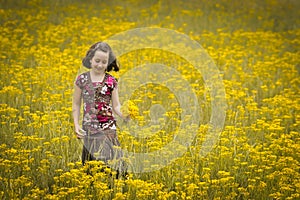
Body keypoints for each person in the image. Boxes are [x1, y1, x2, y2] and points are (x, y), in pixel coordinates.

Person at [72, 42, 129, 176]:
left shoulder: (111, 81)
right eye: (97, 61)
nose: (100, 65)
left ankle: (113, 188)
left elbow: (116, 106)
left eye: (104, 62)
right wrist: (76, 124)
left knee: (113, 164)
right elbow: (76, 104)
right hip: (90, 129)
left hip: (108, 128)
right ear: (90, 59)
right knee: (90, 166)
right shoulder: (82, 79)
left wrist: (124, 115)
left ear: (108, 63)